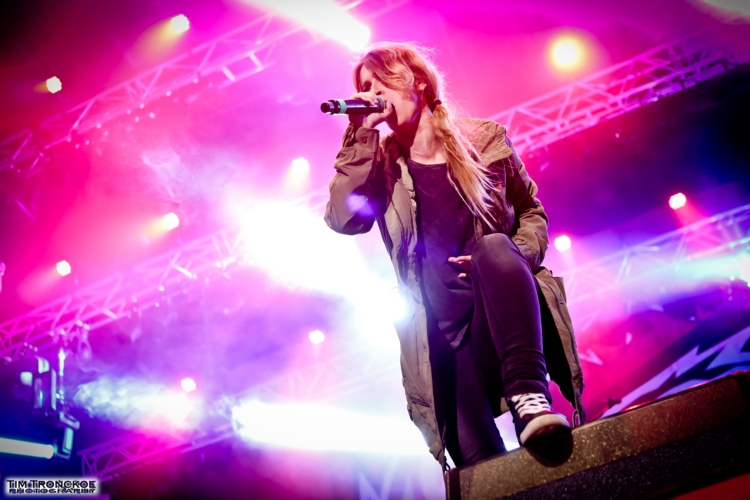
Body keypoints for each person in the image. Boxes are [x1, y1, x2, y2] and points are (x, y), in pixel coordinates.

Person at [324, 42, 585, 469]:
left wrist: (516, 255)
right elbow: (342, 219)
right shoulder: (380, 167)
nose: (371, 94)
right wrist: (360, 136)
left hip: (497, 319)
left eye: (379, 82)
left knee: (495, 246)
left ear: (417, 81)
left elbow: (530, 212)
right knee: (485, 477)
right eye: (364, 88)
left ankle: (528, 394)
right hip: (442, 341)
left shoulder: (485, 139)